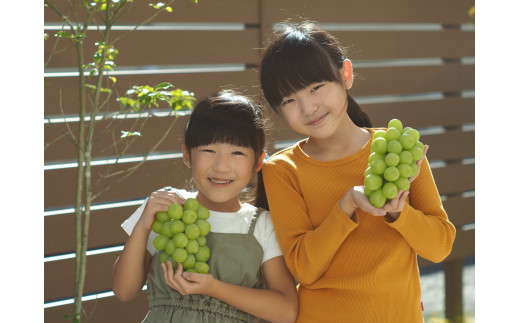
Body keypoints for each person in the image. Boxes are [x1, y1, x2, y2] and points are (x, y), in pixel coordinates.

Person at [257, 20, 456, 322]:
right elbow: (304, 269)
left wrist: (399, 213)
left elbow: (440, 246)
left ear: (345, 75)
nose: (308, 107)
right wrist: (346, 204)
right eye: (289, 99)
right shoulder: (282, 169)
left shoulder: (396, 150)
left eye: (316, 88)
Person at [112, 90, 298, 323]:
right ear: (187, 154)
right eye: (209, 151)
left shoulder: (263, 224)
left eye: (237, 153)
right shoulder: (167, 208)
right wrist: (141, 227)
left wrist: (214, 288)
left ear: (258, 162)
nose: (221, 166)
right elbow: (123, 291)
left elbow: (286, 312)